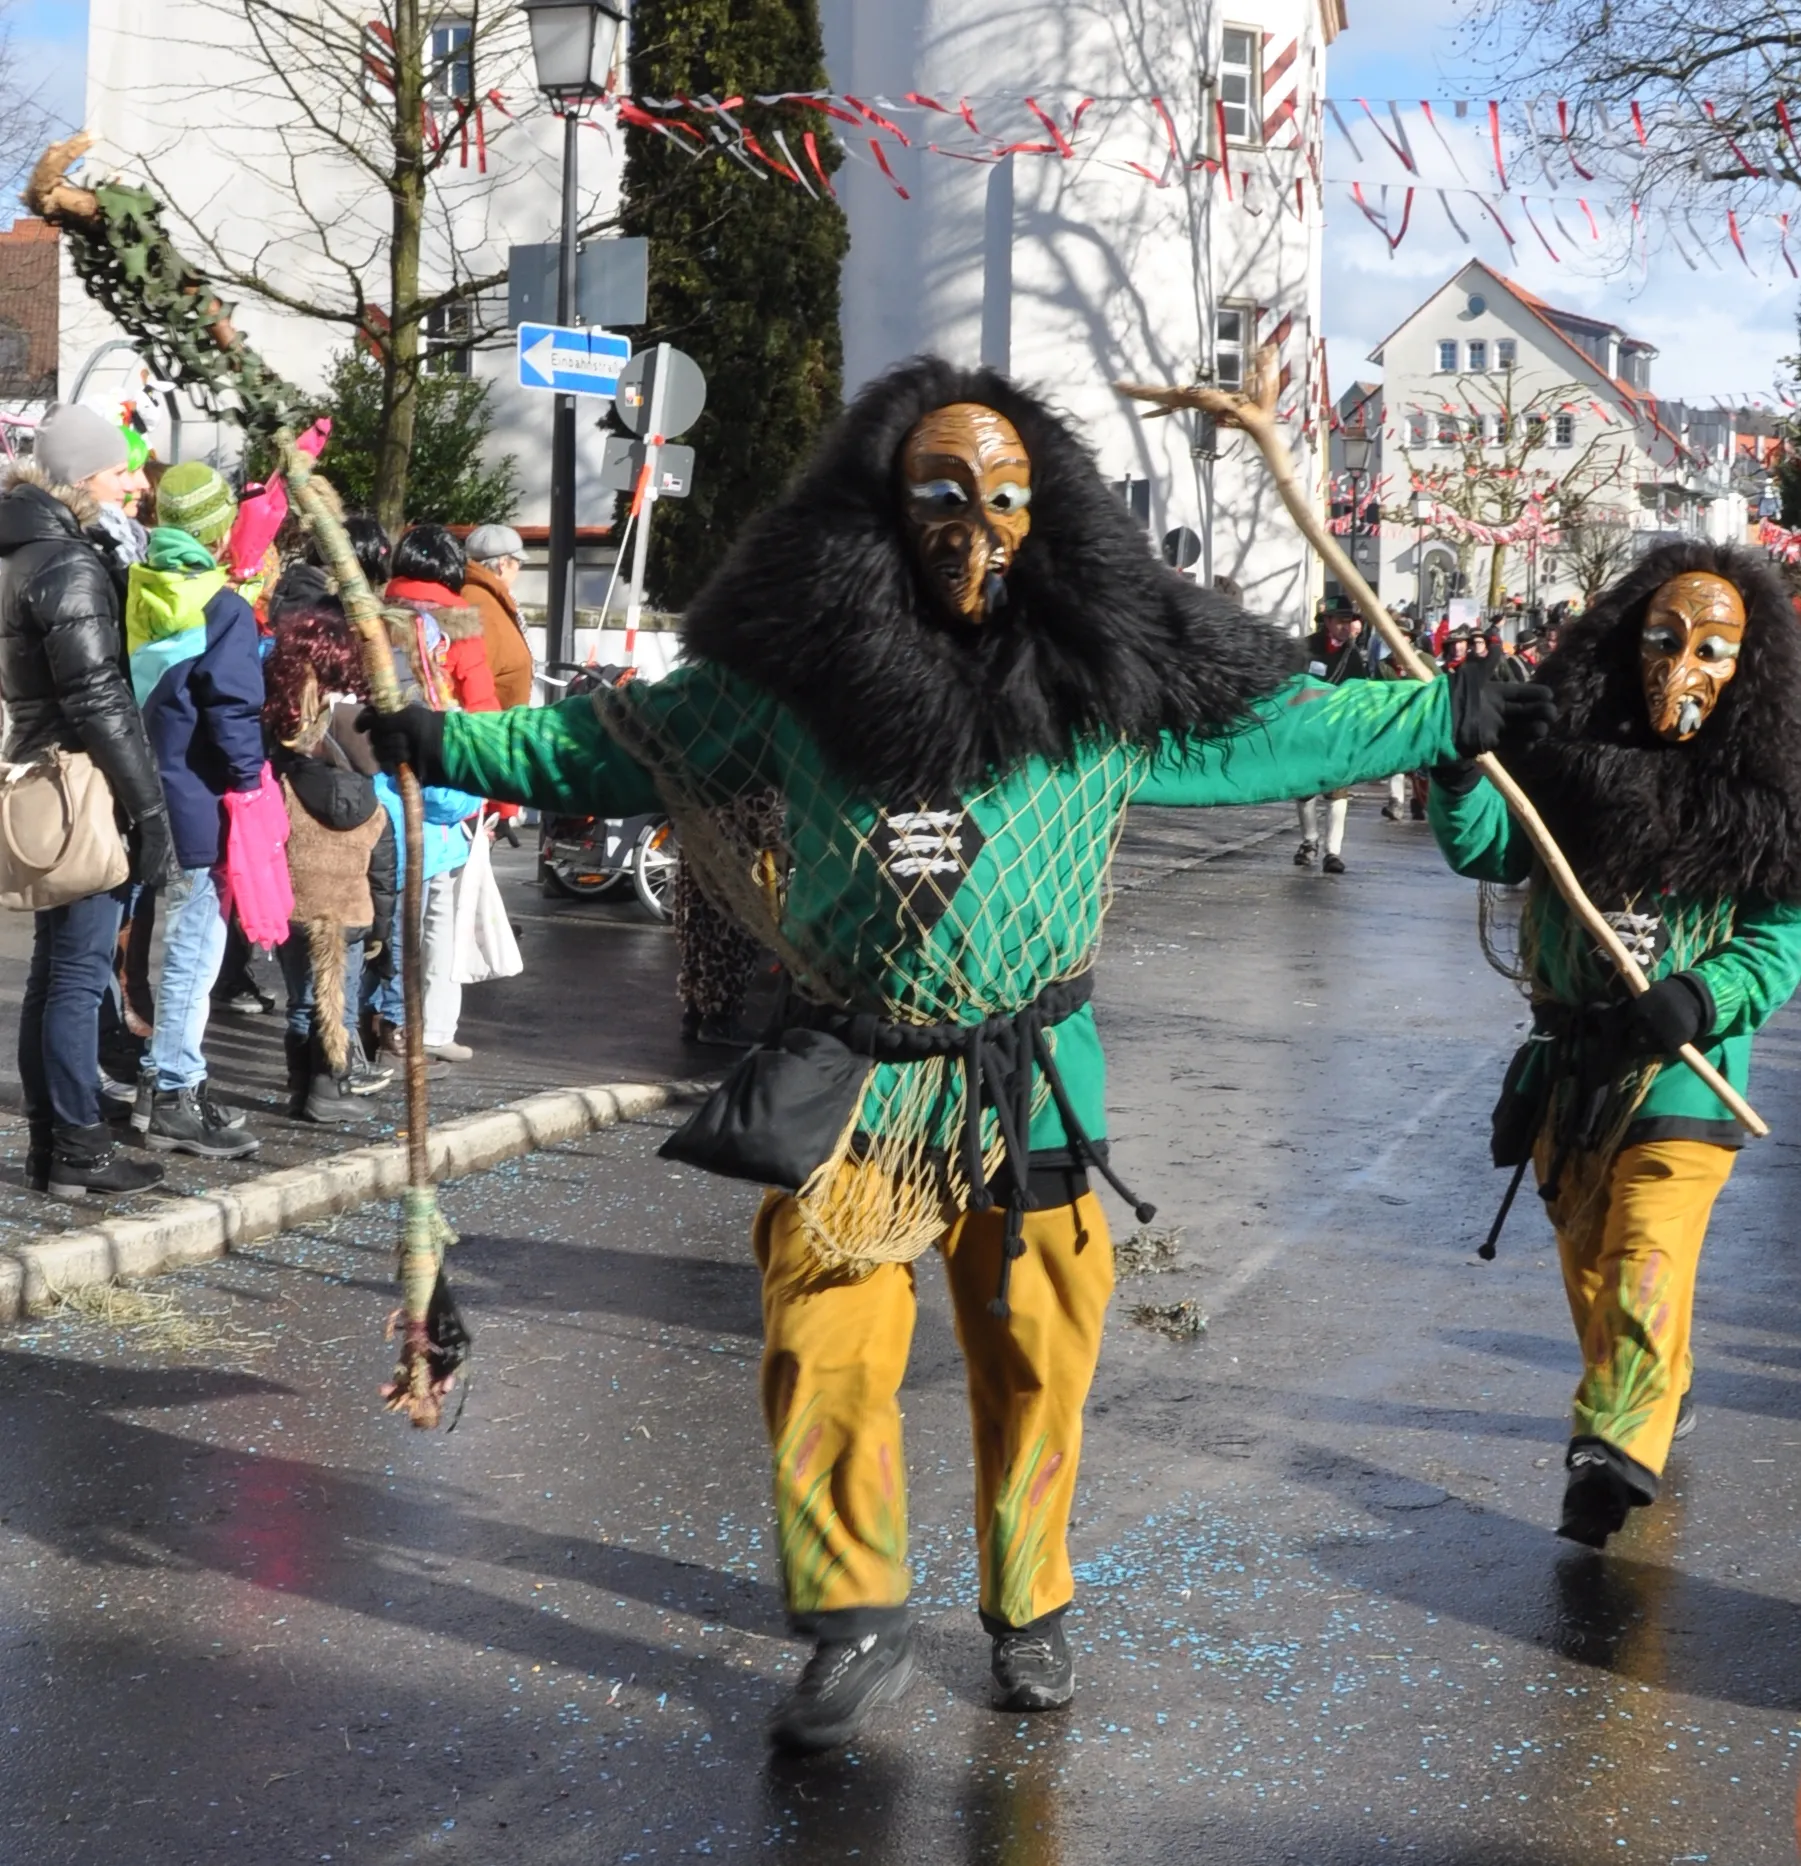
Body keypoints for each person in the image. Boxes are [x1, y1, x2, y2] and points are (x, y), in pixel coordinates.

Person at [366, 357, 1552, 1753]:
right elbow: (609, 739)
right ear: (883, 509)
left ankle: (1027, 1603)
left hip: (1032, 1081)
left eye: (1003, 497)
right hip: (851, 1081)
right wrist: (448, 738)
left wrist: (1437, 712)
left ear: (1042, 515)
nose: (974, 524)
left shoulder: (1100, 690)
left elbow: (1275, 730)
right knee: (820, 1355)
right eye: (941, 493)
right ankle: (850, 1612)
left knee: (1040, 1352)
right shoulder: (791, 686)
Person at [1428, 542, 1801, 1549]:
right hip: (1571, 1071)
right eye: (1662, 639)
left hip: (1685, 1075)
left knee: (1646, 1253)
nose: (1681, 667)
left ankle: (1611, 1454)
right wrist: (1461, 766)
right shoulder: (1565, 773)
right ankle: (1657, 1388)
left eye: (1714, 650)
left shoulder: (1770, 806)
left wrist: (1705, 990)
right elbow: (1484, 847)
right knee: (1594, 1270)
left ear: (1749, 672)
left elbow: (1782, 934)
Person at [0, 403, 178, 1197]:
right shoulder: (67, 563)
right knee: (75, 976)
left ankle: (55, 1143)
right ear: (79, 479)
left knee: (54, 973)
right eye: (119, 470)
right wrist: (148, 810)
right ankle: (80, 1148)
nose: (135, 482)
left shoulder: (19, 550)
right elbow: (100, 697)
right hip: (80, 782)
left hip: (38, 774)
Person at [125, 462, 266, 1160]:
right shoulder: (224, 608)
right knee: (191, 952)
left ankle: (154, 1083)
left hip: (135, 794)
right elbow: (235, 715)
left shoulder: (137, 589)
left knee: (149, 945)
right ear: (215, 532)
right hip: (198, 805)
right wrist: (250, 784)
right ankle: (176, 1090)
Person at [263, 597, 394, 1122]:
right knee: (338, 999)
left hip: (296, 907)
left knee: (301, 1000)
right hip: (351, 913)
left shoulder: (288, 784)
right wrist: (381, 926)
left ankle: (300, 1087)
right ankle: (327, 1091)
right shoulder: (372, 805)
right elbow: (384, 872)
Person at [1294, 604, 1368, 874]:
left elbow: (1360, 691)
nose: (1346, 626)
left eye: (1349, 622)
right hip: (1308, 726)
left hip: (1339, 729)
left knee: (1337, 791)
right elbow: (1292, 683)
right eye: (1341, 621)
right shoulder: (1305, 648)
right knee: (1305, 789)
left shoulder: (1353, 655)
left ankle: (1333, 851)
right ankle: (1309, 842)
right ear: (1327, 621)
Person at [461, 523, 535, 710]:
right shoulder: (480, 603)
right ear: (503, 565)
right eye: (518, 562)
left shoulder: (489, 598)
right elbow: (474, 680)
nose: (519, 569)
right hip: (492, 728)